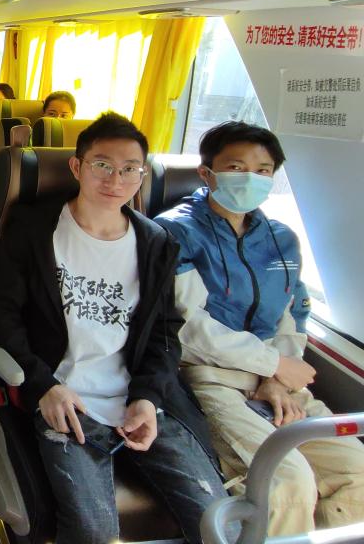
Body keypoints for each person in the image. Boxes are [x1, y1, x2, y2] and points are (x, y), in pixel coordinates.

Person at [0, 113, 227, 544]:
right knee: (92, 531)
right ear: (77, 167)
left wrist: (148, 398)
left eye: (130, 169)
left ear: (142, 175)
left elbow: (164, 332)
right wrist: (44, 385)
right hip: (65, 398)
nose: (116, 179)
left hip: (136, 401)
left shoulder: (155, 242)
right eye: (102, 165)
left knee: (218, 521)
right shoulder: (34, 229)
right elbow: (0, 314)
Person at [155, 122, 364, 536]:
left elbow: (292, 313)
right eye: (236, 167)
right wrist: (272, 364)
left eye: (263, 170)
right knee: (287, 484)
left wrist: (277, 378)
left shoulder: (281, 239)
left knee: (357, 474)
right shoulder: (175, 231)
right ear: (207, 173)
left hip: (277, 381)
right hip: (209, 376)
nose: (251, 178)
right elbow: (188, 326)